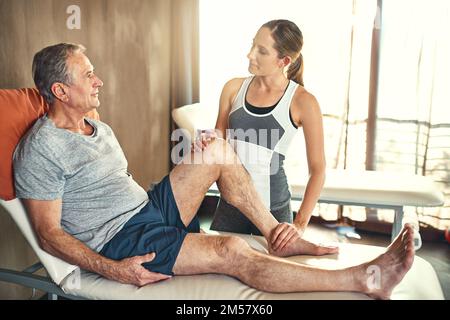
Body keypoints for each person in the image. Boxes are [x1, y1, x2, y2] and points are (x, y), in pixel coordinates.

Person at [13, 43, 414, 299]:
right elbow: (49, 235)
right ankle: (363, 279)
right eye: (87, 75)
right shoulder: (42, 149)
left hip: (146, 209)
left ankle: (278, 235)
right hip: (121, 240)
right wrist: (114, 270)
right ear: (61, 92)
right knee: (231, 249)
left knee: (217, 150)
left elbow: (112, 184)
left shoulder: (98, 126)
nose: (98, 80)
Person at [209, 19, 325, 252]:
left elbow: (318, 170)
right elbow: (218, 145)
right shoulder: (233, 88)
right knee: (217, 278)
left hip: (274, 214)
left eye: (261, 51)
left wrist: (299, 225)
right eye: (253, 45)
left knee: (272, 279)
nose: (250, 55)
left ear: (284, 61)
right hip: (229, 208)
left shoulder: (303, 102)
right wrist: (205, 143)